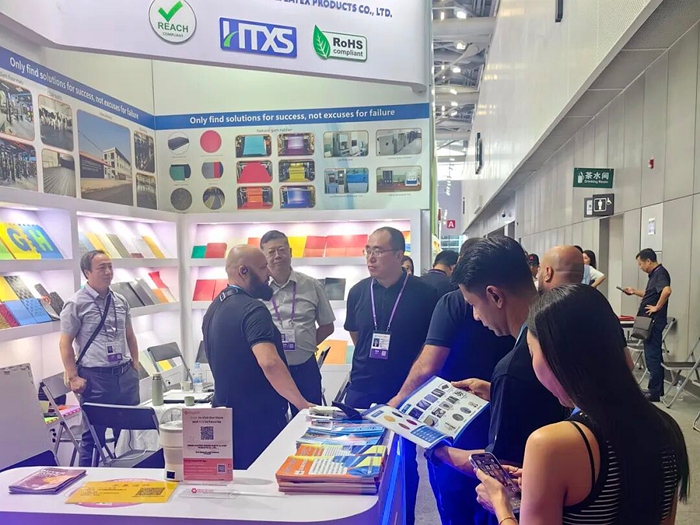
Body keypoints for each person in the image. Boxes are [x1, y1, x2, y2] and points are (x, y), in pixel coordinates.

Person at [473, 285, 689, 524]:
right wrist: (541, 480)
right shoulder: (666, 428)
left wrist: (501, 505)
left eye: (532, 353)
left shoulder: (549, 444)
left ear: (555, 354)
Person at [389, 238, 514, 525]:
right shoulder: (531, 315)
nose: (477, 315)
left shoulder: (454, 301)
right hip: (503, 419)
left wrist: (397, 402)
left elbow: (428, 364)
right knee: (499, 502)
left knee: (458, 507)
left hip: (457, 421)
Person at [429, 237, 568, 475]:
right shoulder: (562, 323)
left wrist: (439, 451)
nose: (475, 316)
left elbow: (504, 466)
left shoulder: (514, 367)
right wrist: (498, 393)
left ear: (495, 296)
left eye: (473, 304)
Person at [345, 227, 439, 525]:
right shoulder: (358, 291)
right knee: (356, 458)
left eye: (378, 251)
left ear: (399, 255)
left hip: (404, 391)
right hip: (361, 388)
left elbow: (430, 344)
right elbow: (356, 334)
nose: (371, 257)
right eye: (368, 250)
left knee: (403, 464)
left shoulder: (425, 294)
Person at [203, 245, 313, 469]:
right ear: (243, 271)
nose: (269, 274)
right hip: (258, 422)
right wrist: (301, 403)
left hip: (224, 420)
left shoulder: (213, 308)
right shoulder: (254, 310)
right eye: (263, 268)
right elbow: (269, 361)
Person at [59, 250, 140, 467]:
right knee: (94, 436)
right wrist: (73, 376)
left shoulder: (120, 300)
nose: (108, 272)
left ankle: (129, 476)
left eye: (110, 267)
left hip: (124, 375)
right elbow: (65, 343)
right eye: (101, 268)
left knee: (130, 432)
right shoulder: (76, 304)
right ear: (87, 272)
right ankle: (87, 479)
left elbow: (129, 335)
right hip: (96, 378)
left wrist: (135, 363)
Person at [260, 230, 336, 415]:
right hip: (270, 369)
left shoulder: (312, 285)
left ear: (291, 252)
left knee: (310, 419)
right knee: (272, 421)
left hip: (305, 367)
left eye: (281, 250)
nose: (277, 256)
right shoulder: (257, 290)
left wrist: (305, 344)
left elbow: (327, 326)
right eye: (271, 252)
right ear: (263, 257)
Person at [540, 245, 634, 371]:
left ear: (548, 272)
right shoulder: (601, 305)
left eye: (540, 269)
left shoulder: (546, 311)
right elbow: (629, 363)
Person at [624, 248, 672, 402]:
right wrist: (634, 291)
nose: (640, 267)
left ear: (648, 261)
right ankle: (656, 389)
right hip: (649, 321)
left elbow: (666, 291)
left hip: (654, 321)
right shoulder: (654, 275)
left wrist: (657, 307)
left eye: (640, 264)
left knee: (652, 356)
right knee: (652, 354)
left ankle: (654, 392)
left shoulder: (660, 273)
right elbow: (651, 293)